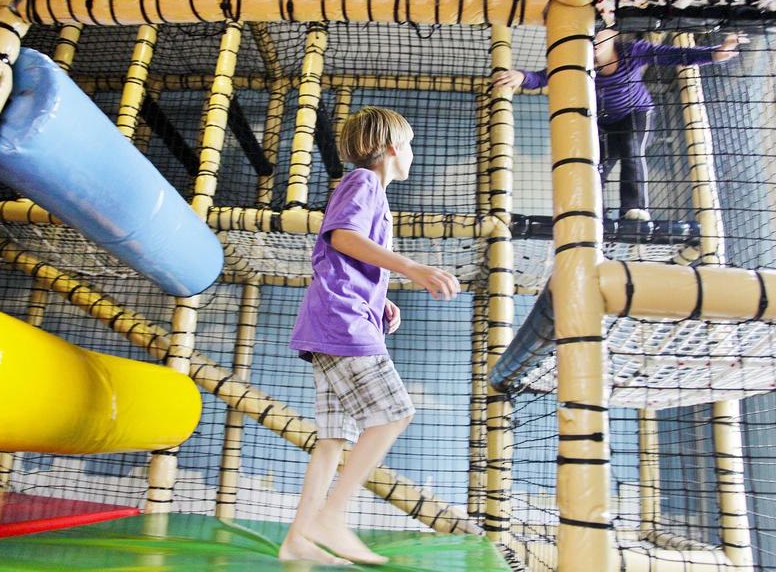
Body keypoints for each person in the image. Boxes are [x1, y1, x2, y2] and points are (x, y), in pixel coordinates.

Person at [279, 106, 461, 565]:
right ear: (395, 149)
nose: (413, 153)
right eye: (412, 145)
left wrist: (380, 301)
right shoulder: (364, 183)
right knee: (394, 413)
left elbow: (345, 258)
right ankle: (332, 517)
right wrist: (412, 267)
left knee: (332, 438)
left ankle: (299, 538)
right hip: (341, 322)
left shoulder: (370, 191)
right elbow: (340, 237)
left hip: (333, 321)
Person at [495, 28, 748, 221]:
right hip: (603, 123)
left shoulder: (631, 51)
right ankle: (596, 216)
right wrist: (521, 76)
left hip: (636, 113)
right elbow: (542, 77)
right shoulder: (574, 60)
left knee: (631, 148)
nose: (592, 47)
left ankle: (634, 208)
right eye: (588, 42)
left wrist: (715, 53)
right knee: (595, 167)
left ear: (612, 38)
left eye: (598, 41)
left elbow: (673, 55)